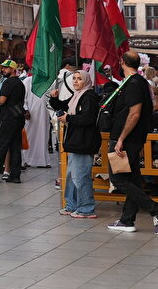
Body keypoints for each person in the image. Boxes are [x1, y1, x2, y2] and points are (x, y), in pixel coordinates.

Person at [106, 51, 158, 233]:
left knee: (118, 178)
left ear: (122, 62)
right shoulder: (138, 82)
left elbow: (134, 113)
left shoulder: (134, 84)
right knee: (133, 180)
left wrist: (121, 139)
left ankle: (154, 209)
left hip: (126, 140)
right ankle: (127, 220)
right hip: (131, 139)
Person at [59, 69, 98, 218]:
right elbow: (65, 108)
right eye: (74, 78)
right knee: (72, 175)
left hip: (84, 141)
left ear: (86, 81)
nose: (75, 81)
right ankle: (72, 204)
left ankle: (86, 208)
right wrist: (54, 99)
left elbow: (88, 118)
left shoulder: (89, 97)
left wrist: (69, 118)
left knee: (81, 176)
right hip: (76, 141)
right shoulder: (77, 96)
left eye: (79, 79)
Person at [21, 66, 52, 169]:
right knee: (29, 136)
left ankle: (43, 161)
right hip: (30, 114)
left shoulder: (47, 82)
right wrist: (25, 109)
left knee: (44, 135)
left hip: (44, 113)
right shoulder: (27, 81)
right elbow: (23, 97)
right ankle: (27, 160)